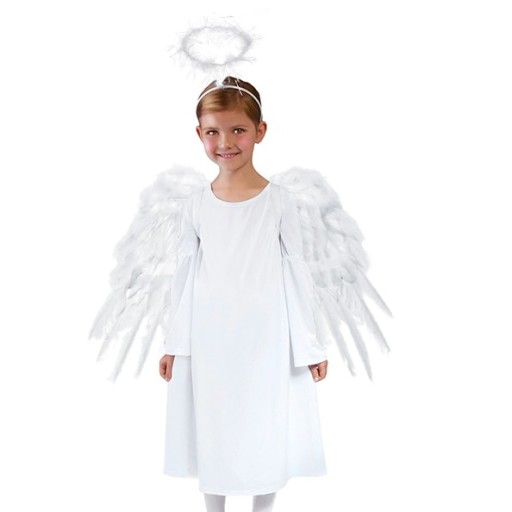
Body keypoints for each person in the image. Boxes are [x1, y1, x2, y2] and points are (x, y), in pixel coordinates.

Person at [158, 76, 329, 512]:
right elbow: (185, 275)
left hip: (266, 336)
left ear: (260, 131)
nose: (225, 143)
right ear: (199, 134)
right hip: (211, 337)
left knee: (264, 422)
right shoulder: (196, 204)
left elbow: (296, 271)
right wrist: (174, 343)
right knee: (213, 421)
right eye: (213, 131)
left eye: (238, 130)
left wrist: (309, 344)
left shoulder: (279, 202)